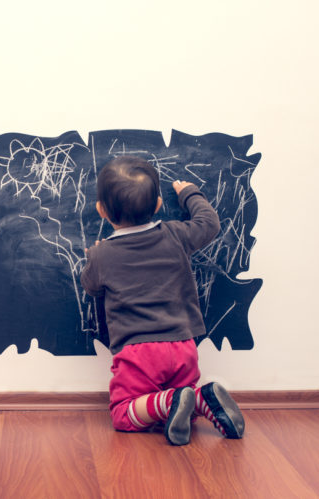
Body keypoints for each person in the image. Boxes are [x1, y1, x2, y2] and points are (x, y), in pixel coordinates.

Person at [81, 155, 244, 446]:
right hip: (182, 344)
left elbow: (91, 287)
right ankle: (200, 400)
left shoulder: (101, 255)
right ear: (157, 204)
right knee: (184, 410)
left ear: (101, 210)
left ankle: (171, 400)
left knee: (123, 413)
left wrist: (93, 256)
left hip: (137, 352)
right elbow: (209, 223)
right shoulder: (175, 235)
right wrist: (189, 193)